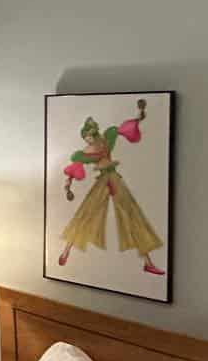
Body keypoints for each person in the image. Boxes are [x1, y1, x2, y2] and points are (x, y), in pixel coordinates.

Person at [55, 98, 166, 276]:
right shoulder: (84, 153)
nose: (88, 139)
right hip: (103, 182)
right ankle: (65, 251)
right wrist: (68, 186)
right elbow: (73, 170)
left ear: (95, 134)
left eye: (89, 135)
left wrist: (139, 116)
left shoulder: (107, 140)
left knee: (132, 215)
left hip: (114, 179)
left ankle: (148, 262)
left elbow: (124, 129)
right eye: (85, 137)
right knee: (85, 214)